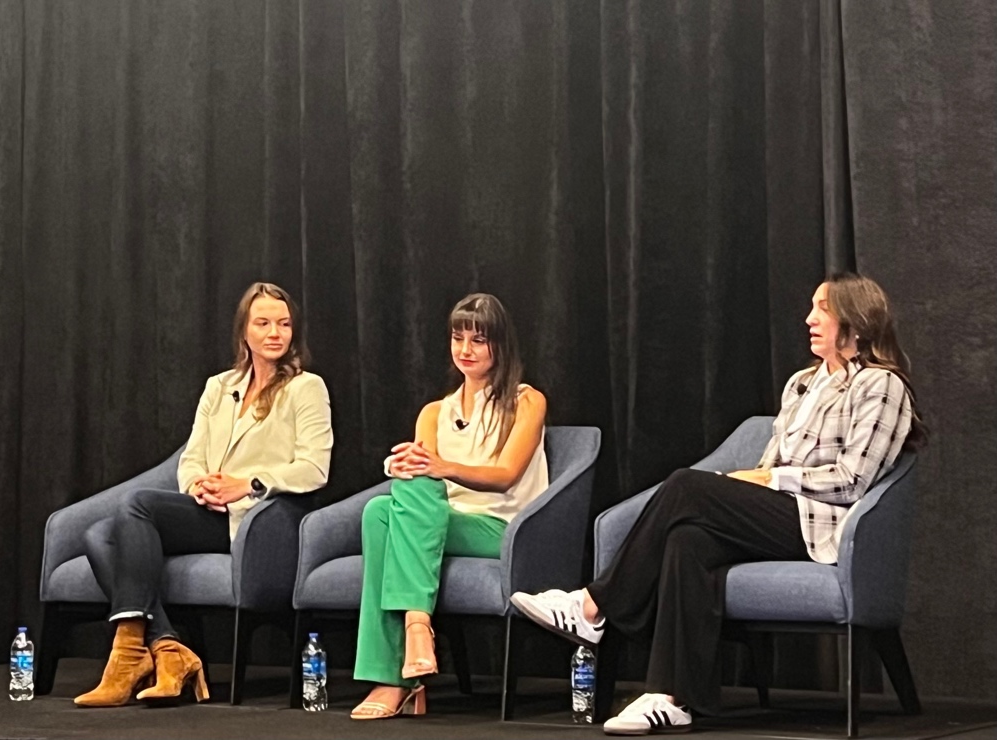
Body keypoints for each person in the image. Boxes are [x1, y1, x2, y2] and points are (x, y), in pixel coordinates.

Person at [511, 273, 925, 735]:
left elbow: (852, 480)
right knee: (688, 539)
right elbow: (774, 458)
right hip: (774, 512)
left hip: (823, 524)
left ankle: (593, 605)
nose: (809, 319)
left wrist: (769, 479)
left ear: (857, 320)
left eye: (823, 309)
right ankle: (673, 696)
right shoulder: (802, 384)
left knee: (687, 486)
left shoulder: (881, 386)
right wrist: (757, 484)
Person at [76, 282, 333, 707]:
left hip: (256, 518)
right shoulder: (220, 386)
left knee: (135, 505)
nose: (275, 333)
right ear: (244, 331)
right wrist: (198, 486)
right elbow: (192, 456)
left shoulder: (306, 388)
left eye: (284, 324)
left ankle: (133, 657)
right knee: (97, 535)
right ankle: (166, 649)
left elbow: (314, 468)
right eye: (263, 323)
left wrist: (247, 484)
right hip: (209, 510)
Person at [350, 293, 549, 720]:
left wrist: (442, 467)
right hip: (442, 520)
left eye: (478, 339)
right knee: (378, 511)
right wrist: (401, 465)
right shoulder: (434, 412)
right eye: (458, 338)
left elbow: (506, 475)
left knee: (397, 505)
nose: (465, 349)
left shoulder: (526, 401)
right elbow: (421, 478)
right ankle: (413, 641)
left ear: (500, 344)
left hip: (503, 527)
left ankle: (398, 667)